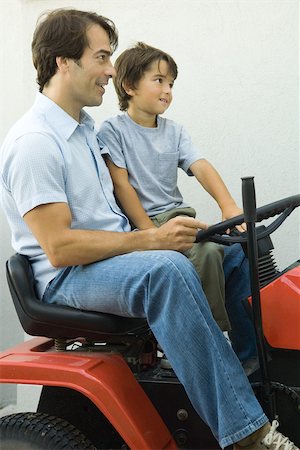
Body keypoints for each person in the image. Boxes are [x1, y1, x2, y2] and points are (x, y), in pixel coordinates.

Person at [0, 8, 297, 450]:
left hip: (109, 258)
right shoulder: (36, 144)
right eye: (101, 57)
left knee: (235, 251)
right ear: (63, 61)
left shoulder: (83, 132)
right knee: (166, 270)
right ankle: (248, 434)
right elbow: (59, 248)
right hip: (68, 276)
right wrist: (152, 239)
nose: (110, 70)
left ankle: (256, 377)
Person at [98, 42, 256, 365]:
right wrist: (148, 234)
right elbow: (121, 183)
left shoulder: (174, 131)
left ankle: (250, 355)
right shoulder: (113, 130)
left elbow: (200, 165)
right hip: (150, 223)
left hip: (179, 217)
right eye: (159, 81)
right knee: (209, 252)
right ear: (129, 85)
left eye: (171, 84)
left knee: (238, 252)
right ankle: (209, 344)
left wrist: (228, 206)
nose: (168, 90)